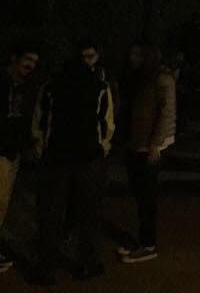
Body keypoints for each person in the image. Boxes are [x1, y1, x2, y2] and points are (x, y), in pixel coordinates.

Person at [32, 39, 115, 284]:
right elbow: (107, 122)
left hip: (56, 157)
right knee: (89, 215)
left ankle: (45, 268)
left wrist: (41, 149)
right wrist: (103, 147)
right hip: (89, 158)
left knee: (51, 214)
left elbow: (39, 120)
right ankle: (86, 264)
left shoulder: (51, 85)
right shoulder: (100, 86)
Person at [117, 43, 177, 264]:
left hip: (149, 144)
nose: (132, 58)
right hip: (137, 141)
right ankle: (143, 239)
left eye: (138, 54)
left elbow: (166, 112)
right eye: (131, 54)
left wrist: (155, 144)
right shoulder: (139, 77)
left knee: (147, 196)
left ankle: (148, 244)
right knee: (140, 193)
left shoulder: (162, 79)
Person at [0, 43, 40, 274]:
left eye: (34, 62)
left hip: (12, 152)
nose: (31, 65)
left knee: (3, 201)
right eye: (27, 59)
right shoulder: (3, 82)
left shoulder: (25, 87)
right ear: (14, 58)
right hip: (2, 151)